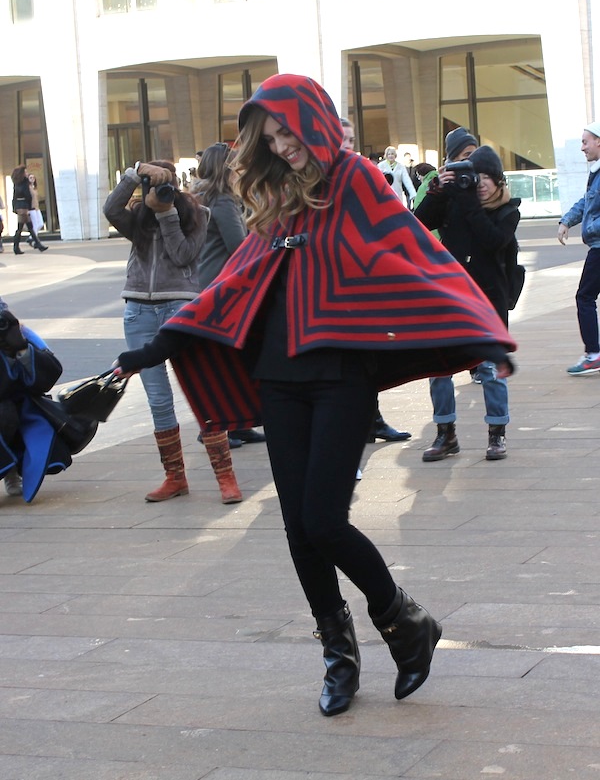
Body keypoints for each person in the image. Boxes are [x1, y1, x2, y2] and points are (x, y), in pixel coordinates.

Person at [112, 74, 515, 717]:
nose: (282, 145)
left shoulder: (356, 177)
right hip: (278, 379)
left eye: (286, 132)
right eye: (270, 138)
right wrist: (162, 344)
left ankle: (404, 622)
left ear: (313, 121)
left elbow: (410, 252)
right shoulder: (273, 195)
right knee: (299, 528)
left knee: (324, 519)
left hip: (340, 378)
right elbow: (241, 279)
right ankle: (338, 652)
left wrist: (479, 329)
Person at [103, 159, 242, 505]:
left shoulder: (199, 214)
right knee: (158, 399)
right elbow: (110, 208)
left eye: (163, 186)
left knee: (202, 388)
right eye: (152, 186)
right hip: (138, 311)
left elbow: (183, 256)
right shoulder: (136, 220)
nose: (158, 193)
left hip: (179, 309)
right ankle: (175, 477)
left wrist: (166, 214)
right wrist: (135, 173)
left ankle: (226, 477)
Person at [414, 143, 520, 461]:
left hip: (489, 301)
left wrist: (466, 202)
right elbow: (417, 223)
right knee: (440, 368)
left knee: (490, 369)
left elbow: (492, 240)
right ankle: (446, 435)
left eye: (488, 176)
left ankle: (497, 435)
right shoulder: (456, 201)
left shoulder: (508, 211)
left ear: (499, 181)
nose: (481, 182)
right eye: (477, 175)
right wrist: (436, 191)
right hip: (451, 297)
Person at [341, 119, 411, 443]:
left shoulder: (360, 174)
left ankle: (373, 421)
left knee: (365, 360)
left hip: (360, 284)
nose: (348, 146)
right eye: (342, 140)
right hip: (332, 292)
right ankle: (358, 428)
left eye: (351, 140)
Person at [191, 142, 264, 445]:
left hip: (208, 283)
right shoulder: (222, 200)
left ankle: (235, 423)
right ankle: (215, 426)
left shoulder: (202, 197)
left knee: (228, 356)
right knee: (226, 357)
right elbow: (238, 245)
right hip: (223, 286)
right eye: (236, 165)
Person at [0, 298, 76, 502]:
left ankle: (12, 470)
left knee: (10, 414)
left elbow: (51, 372)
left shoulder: (20, 332)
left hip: (16, 406)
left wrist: (22, 349)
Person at [558, 121, 600, 375]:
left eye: (585, 142)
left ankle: (593, 354)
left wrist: (591, 230)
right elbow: (586, 202)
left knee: (584, 297)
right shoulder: (596, 173)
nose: (582, 148)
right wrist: (567, 221)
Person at [10, 166, 48, 254]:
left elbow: (15, 196)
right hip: (24, 207)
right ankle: (35, 245)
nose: (27, 174)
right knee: (23, 228)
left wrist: (15, 207)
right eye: (25, 172)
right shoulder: (23, 183)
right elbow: (27, 196)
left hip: (20, 207)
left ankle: (36, 244)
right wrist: (28, 207)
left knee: (27, 227)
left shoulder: (17, 183)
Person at [26, 174, 44, 246]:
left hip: (37, 208)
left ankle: (31, 238)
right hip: (31, 208)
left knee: (40, 224)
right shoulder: (28, 188)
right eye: (30, 177)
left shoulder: (34, 187)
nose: (32, 179)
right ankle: (36, 241)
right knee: (35, 225)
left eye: (33, 177)